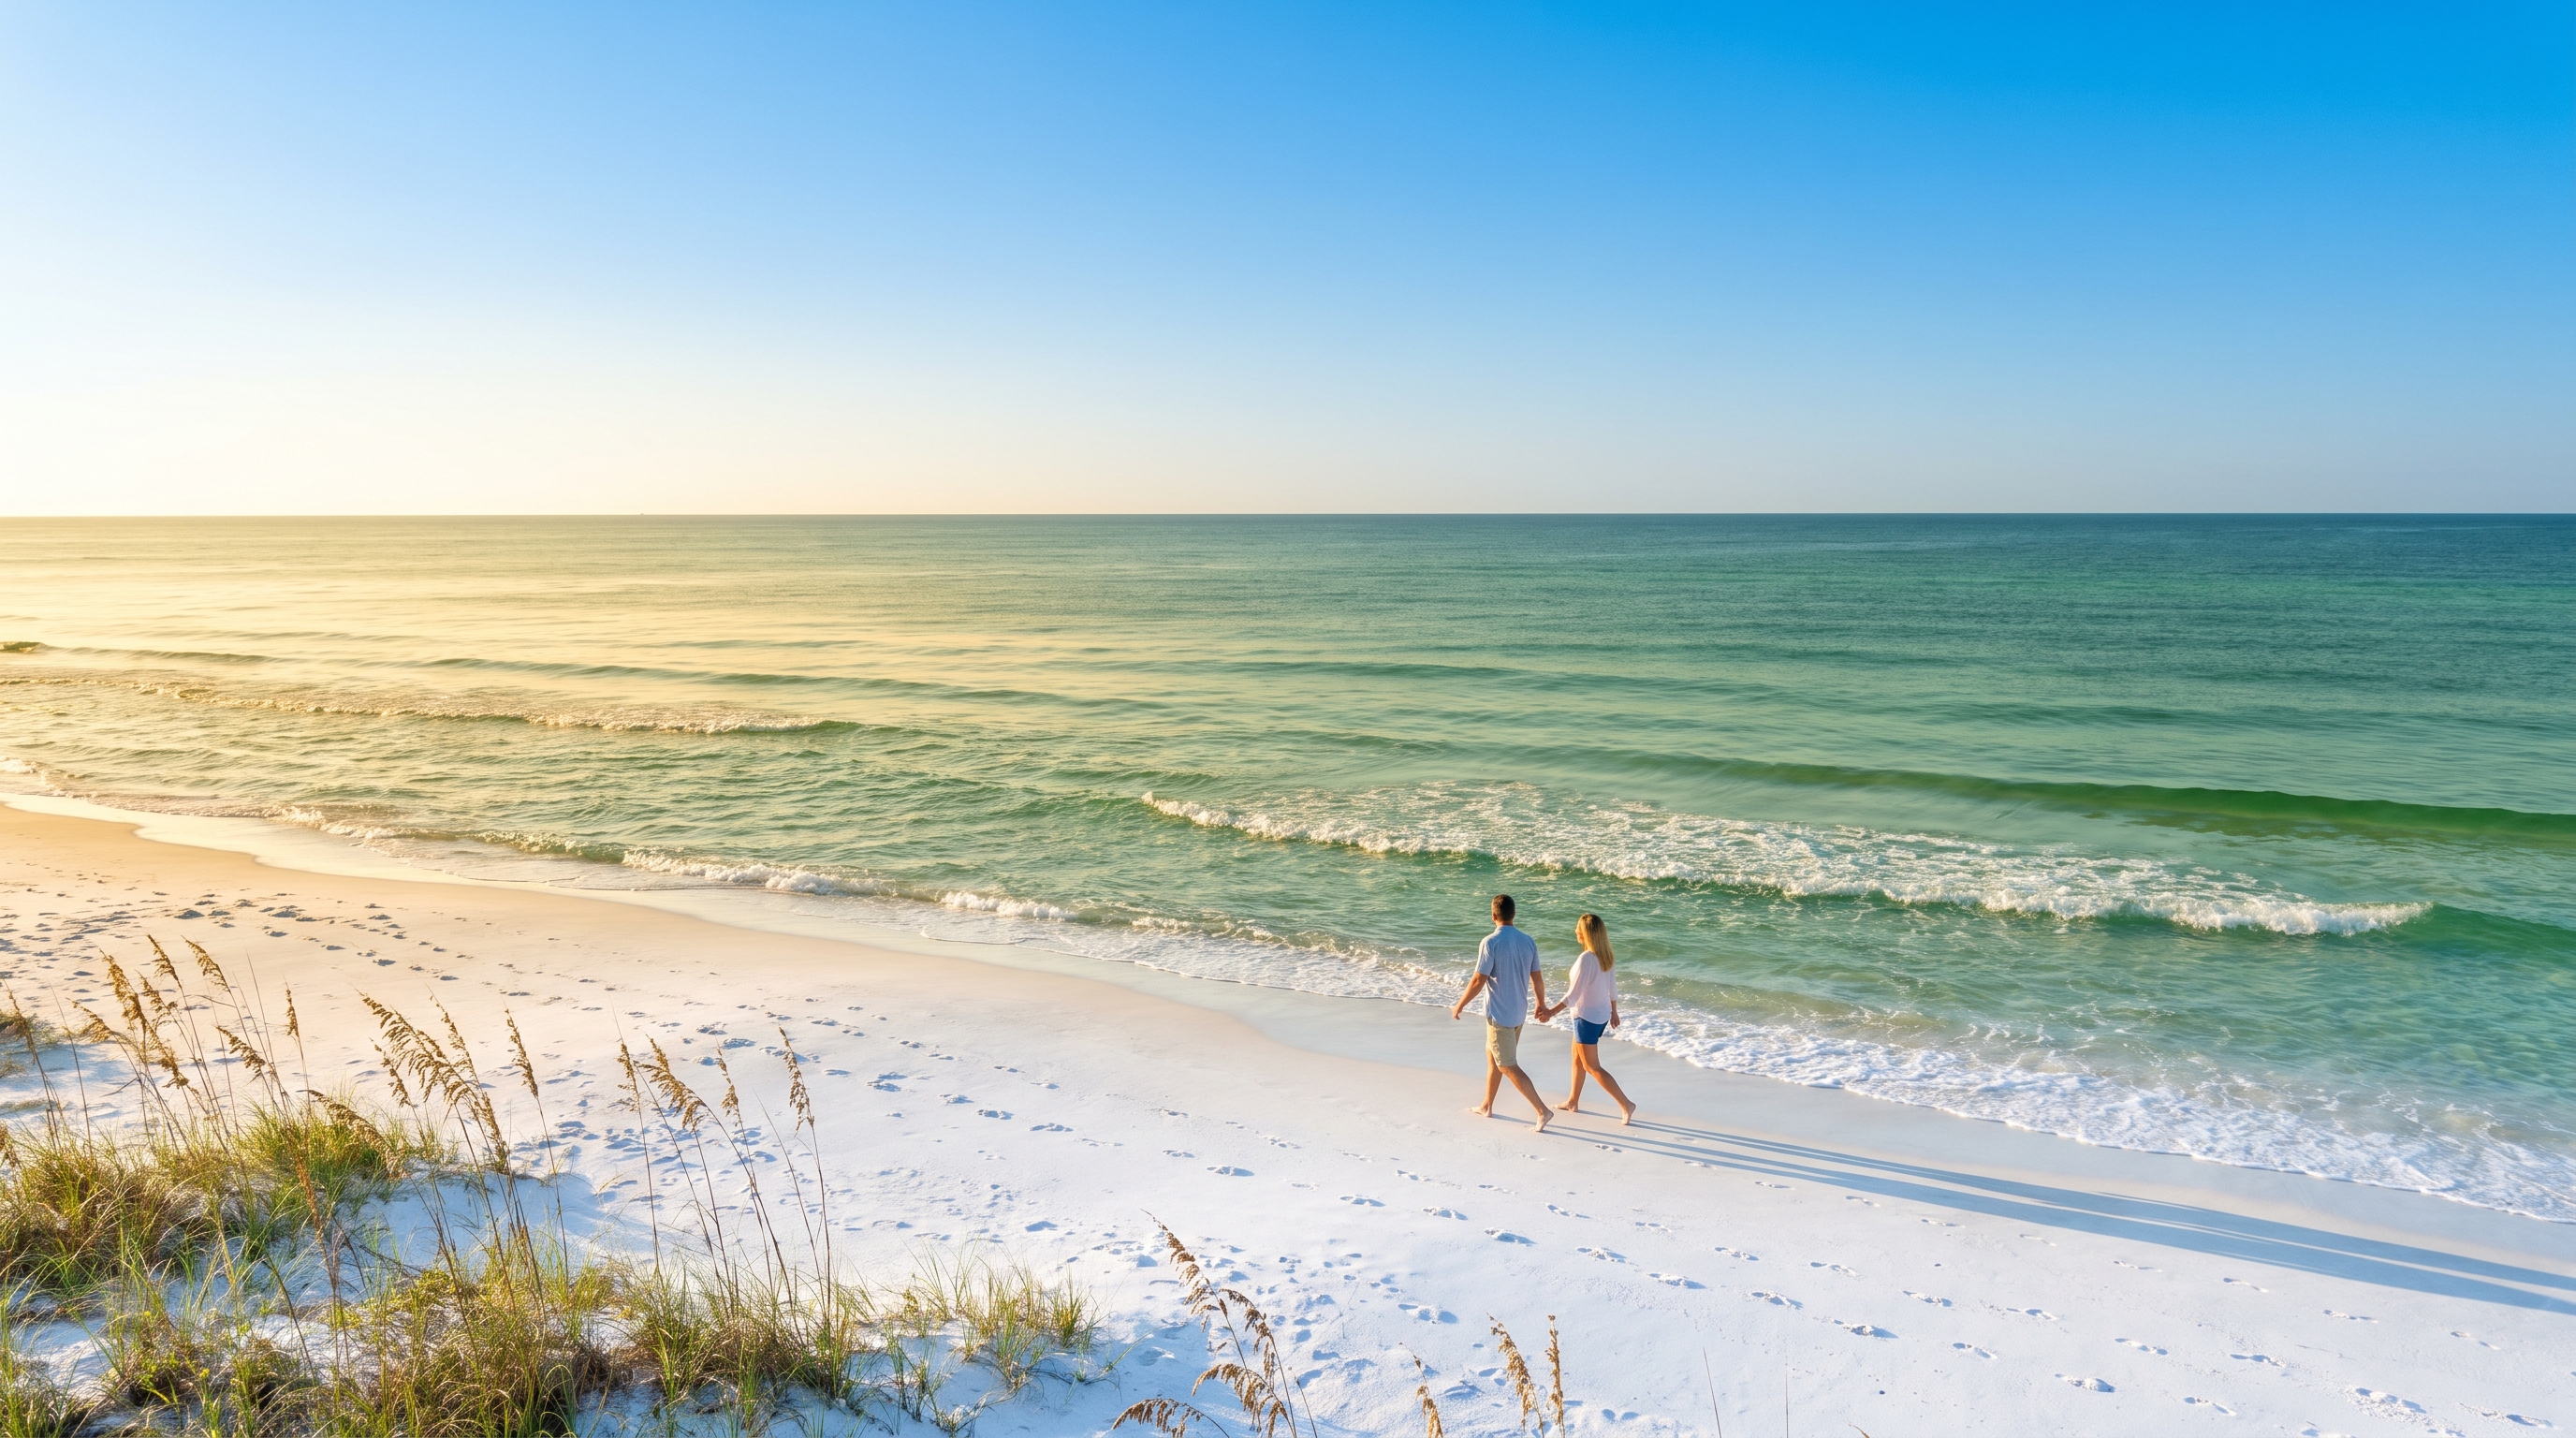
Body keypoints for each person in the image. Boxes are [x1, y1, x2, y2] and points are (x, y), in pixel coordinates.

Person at [1450, 893, 1554, 1132]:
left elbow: (1478, 979)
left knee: (1507, 1064)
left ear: (1493, 916)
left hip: (1499, 1015)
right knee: (1493, 1059)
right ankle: (1487, 1105)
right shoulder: (1528, 941)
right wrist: (1541, 1003)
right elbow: (1536, 976)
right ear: (1513, 914)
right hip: (1518, 1013)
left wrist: (1460, 1004)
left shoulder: (1490, 942)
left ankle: (1542, 1110)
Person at [1541, 912, 1635, 1124]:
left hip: (1586, 1018)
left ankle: (1626, 1104)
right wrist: (1614, 1011)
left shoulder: (1587, 959)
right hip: (1599, 1015)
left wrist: (1550, 1012)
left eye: (1578, 929)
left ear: (1587, 933)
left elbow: (1572, 995)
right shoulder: (1605, 957)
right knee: (1577, 1059)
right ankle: (1573, 1101)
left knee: (1592, 1066)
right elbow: (1613, 989)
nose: (1575, 932)